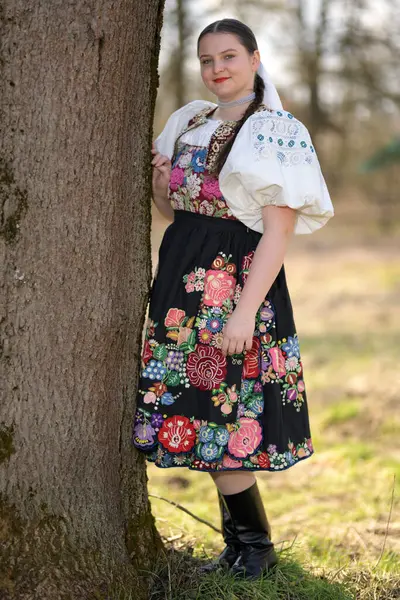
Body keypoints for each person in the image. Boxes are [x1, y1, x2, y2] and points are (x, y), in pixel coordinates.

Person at [132, 18, 334, 579]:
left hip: (234, 289)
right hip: (183, 285)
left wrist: (244, 310)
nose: (217, 68)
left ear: (254, 58)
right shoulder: (190, 121)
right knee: (201, 414)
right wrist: (161, 181)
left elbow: (278, 230)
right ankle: (239, 549)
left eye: (228, 56)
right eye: (206, 59)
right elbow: (183, 216)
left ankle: (258, 552)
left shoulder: (273, 129)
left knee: (225, 413)